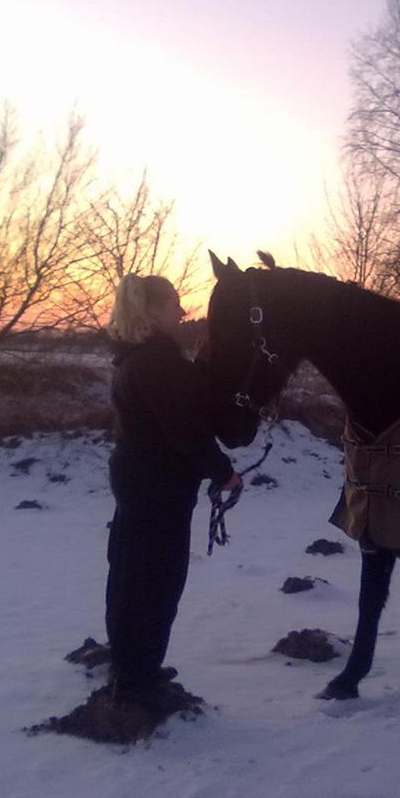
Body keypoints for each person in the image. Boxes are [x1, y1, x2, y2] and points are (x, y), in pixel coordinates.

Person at [104, 274, 241, 708]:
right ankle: (137, 681)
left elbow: (178, 406)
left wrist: (197, 367)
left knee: (131, 574)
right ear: (152, 311)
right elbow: (186, 429)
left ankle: (132, 666)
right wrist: (224, 471)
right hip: (158, 486)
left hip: (141, 480)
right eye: (174, 304)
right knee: (156, 581)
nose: (182, 312)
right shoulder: (158, 363)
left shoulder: (138, 359)